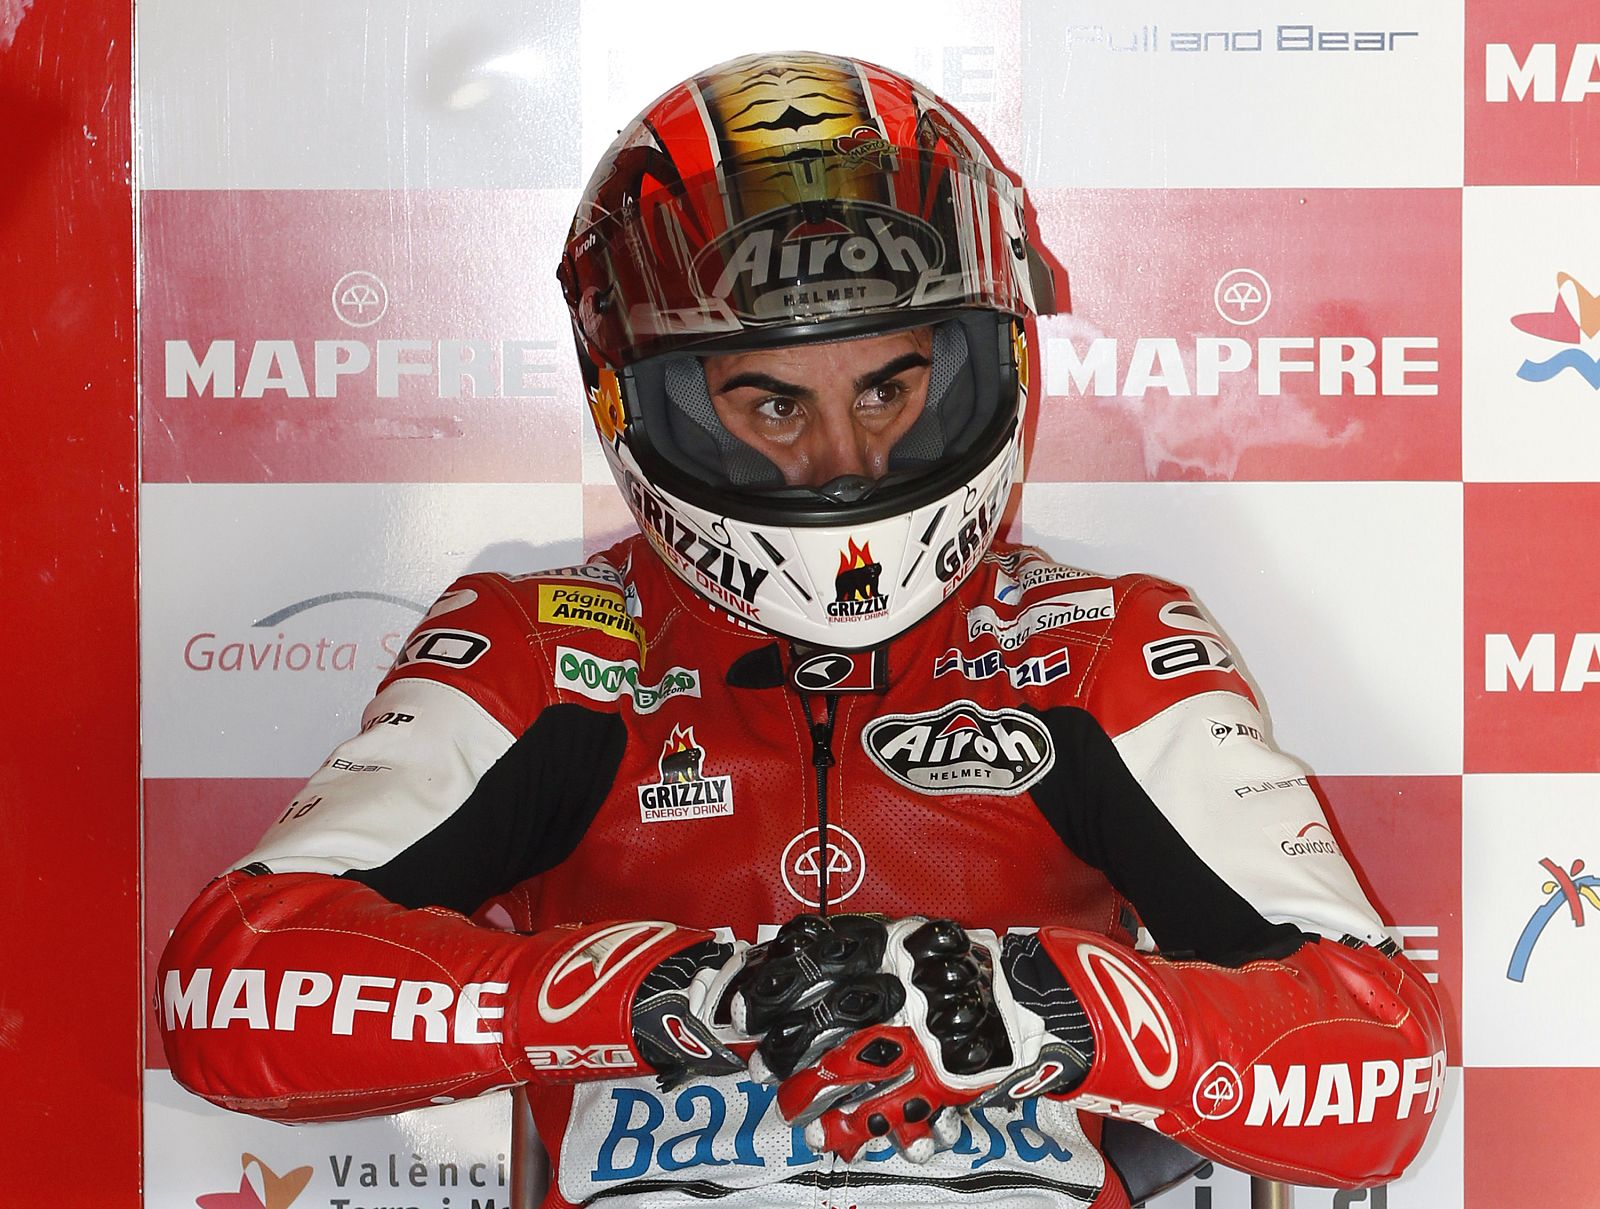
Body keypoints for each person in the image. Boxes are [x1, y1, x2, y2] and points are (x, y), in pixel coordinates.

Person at [158, 51, 1445, 1205]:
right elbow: (226, 987)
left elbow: (1379, 1066)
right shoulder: (549, 643)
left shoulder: (1100, 642)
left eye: (892, 385)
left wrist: (1045, 1011)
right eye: (770, 405)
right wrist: (648, 992)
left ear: (981, 358)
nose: (844, 457)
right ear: (641, 401)